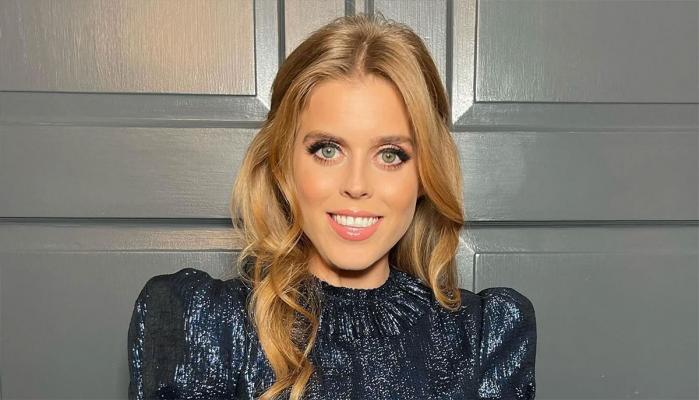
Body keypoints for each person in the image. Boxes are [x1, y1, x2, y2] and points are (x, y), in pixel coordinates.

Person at [127, 12, 536, 400]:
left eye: (390, 155)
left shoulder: (482, 335)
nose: (356, 186)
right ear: (282, 163)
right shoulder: (202, 322)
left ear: (425, 175)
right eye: (327, 150)